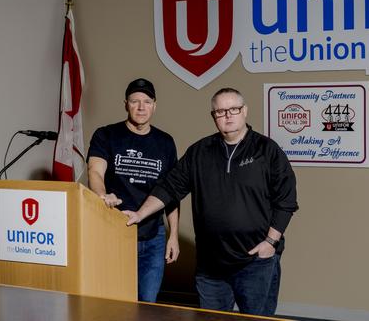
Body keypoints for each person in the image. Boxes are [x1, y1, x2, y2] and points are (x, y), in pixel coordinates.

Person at [123, 87, 298, 316]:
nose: (227, 115)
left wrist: (270, 243)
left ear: (244, 111)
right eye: (220, 111)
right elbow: (168, 188)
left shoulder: (267, 151)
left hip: (256, 261)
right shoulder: (199, 152)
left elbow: (286, 200)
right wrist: (139, 214)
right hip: (211, 266)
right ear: (213, 116)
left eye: (233, 109)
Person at [86, 78, 180, 302]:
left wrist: (173, 235)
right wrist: (102, 194)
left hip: (153, 235)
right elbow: (95, 171)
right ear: (125, 104)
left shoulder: (165, 142)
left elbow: (172, 191)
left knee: (148, 303)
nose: (141, 107)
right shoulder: (106, 134)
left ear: (154, 105)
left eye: (147, 101)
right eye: (135, 101)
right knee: (114, 302)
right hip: (114, 231)